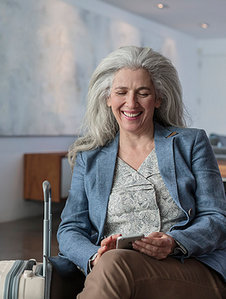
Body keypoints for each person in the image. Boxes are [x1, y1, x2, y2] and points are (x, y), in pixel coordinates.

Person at [56, 46, 226, 298]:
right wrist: (94, 257)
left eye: (143, 93)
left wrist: (174, 243)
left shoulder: (191, 143)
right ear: (108, 98)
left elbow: (217, 218)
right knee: (112, 263)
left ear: (158, 98)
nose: (131, 103)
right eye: (121, 92)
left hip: (188, 268)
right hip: (113, 269)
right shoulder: (90, 156)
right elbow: (70, 228)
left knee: (114, 264)